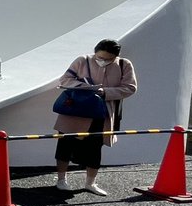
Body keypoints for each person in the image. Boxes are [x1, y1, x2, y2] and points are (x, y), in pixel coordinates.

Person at [54, 39, 137, 195]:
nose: (103, 61)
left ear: (116, 57)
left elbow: (130, 87)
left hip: (102, 112)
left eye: (108, 59)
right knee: (65, 144)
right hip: (75, 110)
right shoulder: (82, 60)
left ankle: (90, 183)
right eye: (100, 57)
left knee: (95, 148)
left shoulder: (124, 64)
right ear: (95, 52)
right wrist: (85, 87)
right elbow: (65, 79)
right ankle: (61, 180)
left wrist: (106, 92)